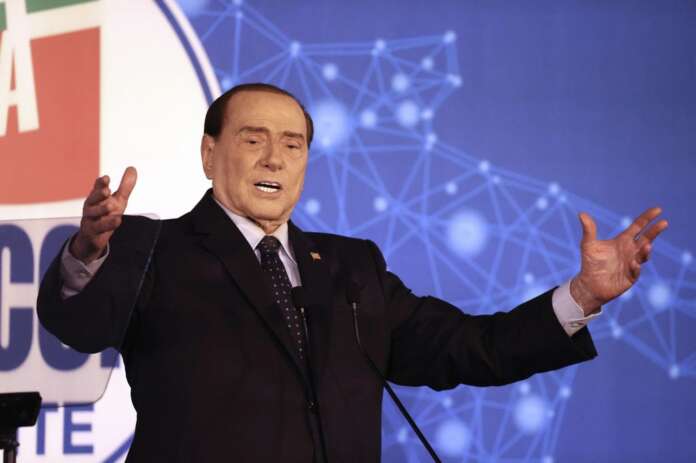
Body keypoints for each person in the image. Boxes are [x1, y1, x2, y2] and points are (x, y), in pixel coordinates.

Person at [37, 83, 668, 462]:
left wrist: (581, 295)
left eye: (293, 144)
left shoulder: (350, 266)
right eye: (253, 139)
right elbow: (81, 326)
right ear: (210, 153)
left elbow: (470, 347)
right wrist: (87, 252)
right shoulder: (150, 246)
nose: (274, 158)